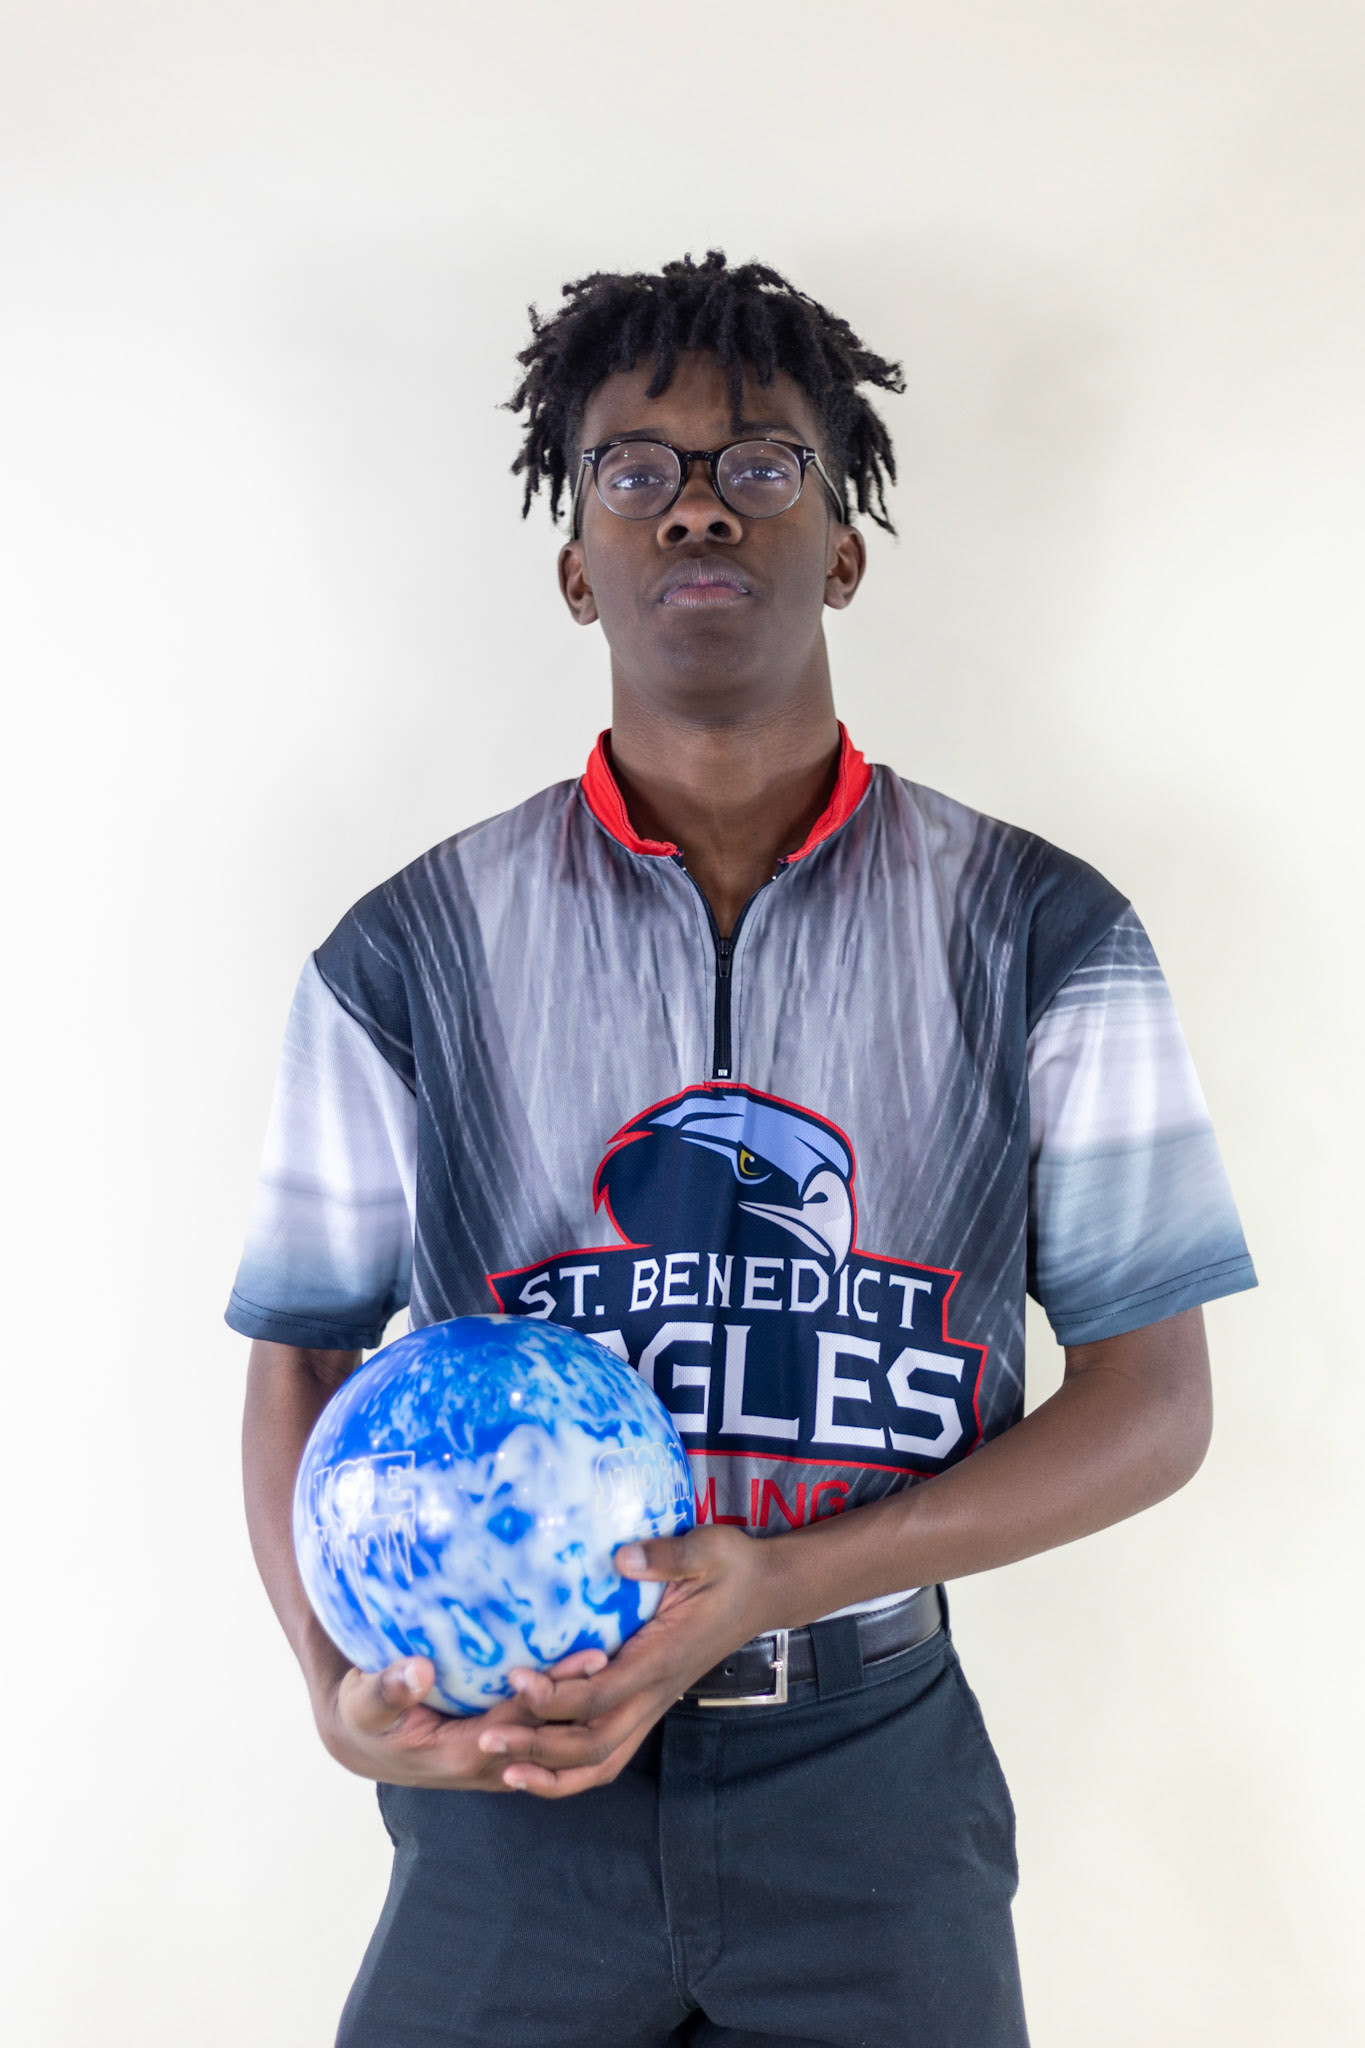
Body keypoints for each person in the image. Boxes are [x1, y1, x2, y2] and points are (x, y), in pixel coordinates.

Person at [231, 251, 1256, 2048]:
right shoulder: (405, 949)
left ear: (841, 547)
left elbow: (1154, 1406)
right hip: (512, 1785)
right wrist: (332, 1691)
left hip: (868, 1787)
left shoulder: (1042, 927)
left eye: (761, 462)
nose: (696, 502)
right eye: (634, 470)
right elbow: (302, 1355)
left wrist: (775, 1581)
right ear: (577, 565)